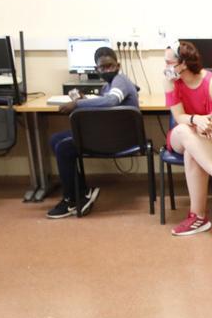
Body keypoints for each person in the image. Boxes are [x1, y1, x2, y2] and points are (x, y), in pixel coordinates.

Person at [45, 46, 140, 219]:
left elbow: (111, 101)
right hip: (108, 133)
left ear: (118, 65)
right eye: (102, 68)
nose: (106, 70)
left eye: (110, 66)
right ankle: (82, 191)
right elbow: (105, 100)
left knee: (63, 148)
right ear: (96, 69)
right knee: (55, 139)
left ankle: (73, 199)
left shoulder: (120, 80)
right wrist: (84, 99)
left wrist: (77, 104)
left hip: (119, 139)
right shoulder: (108, 85)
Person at [164, 41, 212, 237]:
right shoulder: (170, 81)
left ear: (183, 63)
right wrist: (195, 119)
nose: (166, 68)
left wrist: (203, 126)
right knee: (182, 130)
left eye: (169, 63)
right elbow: (179, 116)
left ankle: (198, 217)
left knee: (193, 153)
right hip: (184, 132)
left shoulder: (211, 82)